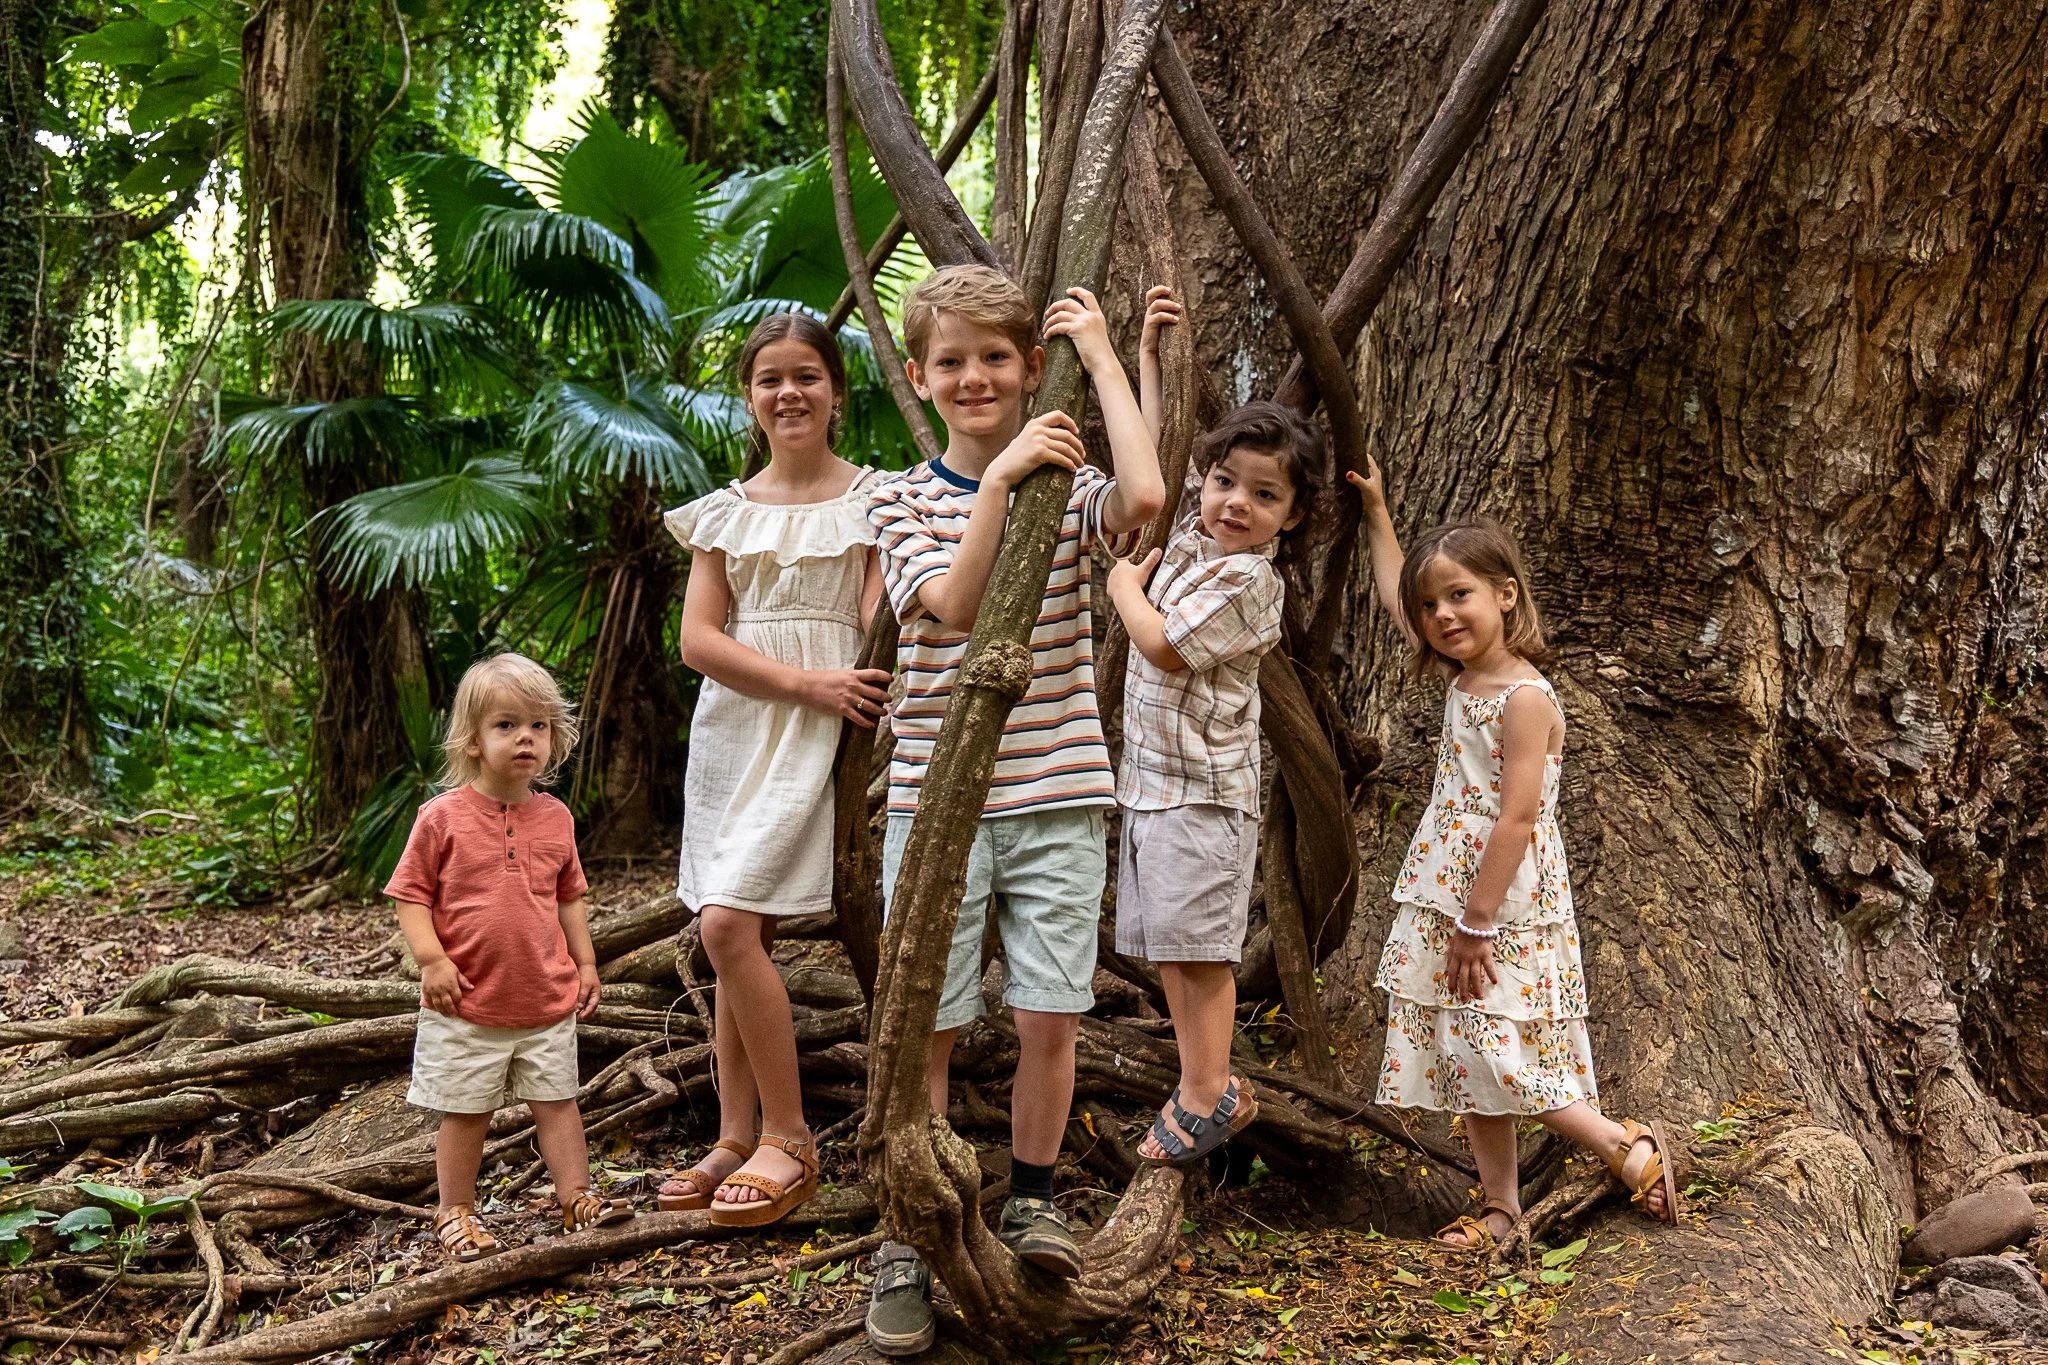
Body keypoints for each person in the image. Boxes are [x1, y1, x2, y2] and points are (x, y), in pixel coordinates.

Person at [862, 265, 1164, 1355]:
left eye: (996, 358)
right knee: (926, 1029)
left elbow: (1144, 500)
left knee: (1047, 1013)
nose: (974, 376)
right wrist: (998, 486)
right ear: (918, 376)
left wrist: (1097, 354)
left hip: (1058, 790)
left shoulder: (1066, 485)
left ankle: (1032, 1195)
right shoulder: (892, 498)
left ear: (1026, 368)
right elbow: (947, 608)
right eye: (951, 361)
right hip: (935, 804)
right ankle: (905, 1230)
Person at [1355, 495, 1684, 1250]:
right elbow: (1397, 597)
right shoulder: (1461, 672)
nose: (1441, 615)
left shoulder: (1524, 696)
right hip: (1452, 891)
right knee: (1468, 1054)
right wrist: (1376, 511)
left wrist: (1476, 922)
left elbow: (1519, 816)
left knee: (1491, 1045)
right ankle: (1501, 1208)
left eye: (1460, 595)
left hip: (1500, 903)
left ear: (1506, 594)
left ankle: (1619, 1145)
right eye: (1432, 604)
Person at [657, 313, 888, 1229]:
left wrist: (850, 693)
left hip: (818, 734)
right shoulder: (726, 510)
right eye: (769, 380)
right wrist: (804, 679)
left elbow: (882, 625)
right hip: (737, 733)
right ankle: (733, 1130)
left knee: (726, 926)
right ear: (749, 398)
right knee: (731, 930)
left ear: (836, 389)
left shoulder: (876, 499)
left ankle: (790, 1136)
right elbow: (699, 640)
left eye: (807, 377)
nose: (788, 393)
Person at [1105, 399, 1323, 1165]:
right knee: (1174, 946)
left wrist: (1123, 590)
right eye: (1226, 481)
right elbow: (1156, 467)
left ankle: (1209, 1089)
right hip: (1154, 787)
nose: (1237, 503)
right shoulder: (1194, 551)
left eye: (1265, 495)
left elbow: (1163, 646)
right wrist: (1146, 362)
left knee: (1202, 949)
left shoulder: (1249, 582)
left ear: (1291, 517)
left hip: (1203, 793)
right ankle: (1202, 1079)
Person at [388, 653, 632, 1262]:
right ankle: (455, 1212)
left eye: (539, 725)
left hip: (545, 998)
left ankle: (577, 1197)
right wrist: (431, 961)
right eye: (506, 725)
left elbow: (570, 897)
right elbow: (409, 897)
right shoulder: (440, 818)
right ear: (472, 741)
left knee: (559, 1105)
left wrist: (587, 965)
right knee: (466, 1114)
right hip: (466, 1001)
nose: (525, 737)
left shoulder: (555, 817)